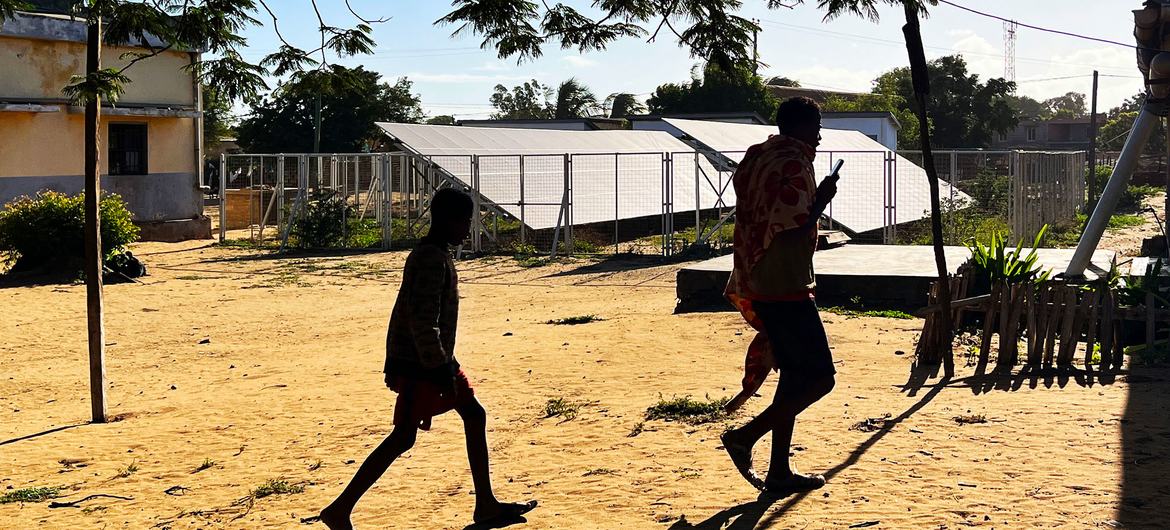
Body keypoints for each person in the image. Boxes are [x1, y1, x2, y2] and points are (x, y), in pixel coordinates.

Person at [320, 188, 537, 529]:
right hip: (422, 365)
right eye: (465, 220)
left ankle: (486, 504)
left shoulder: (432, 254)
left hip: (431, 359)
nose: (468, 228)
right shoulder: (431, 259)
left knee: (472, 415)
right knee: (404, 436)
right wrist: (439, 367)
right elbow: (421, 319)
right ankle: (339, 509)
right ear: (448, 220)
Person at [719, 97, 839, 495]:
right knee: (821, 378)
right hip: (783, 280)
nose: (820, 135)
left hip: (756, 270)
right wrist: (821, 199)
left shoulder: (760, 155)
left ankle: (778, 473)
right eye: (817, 125)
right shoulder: (793, 161)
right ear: (802, 126)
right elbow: (791, 221)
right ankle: (744, 437)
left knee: (792, 374)